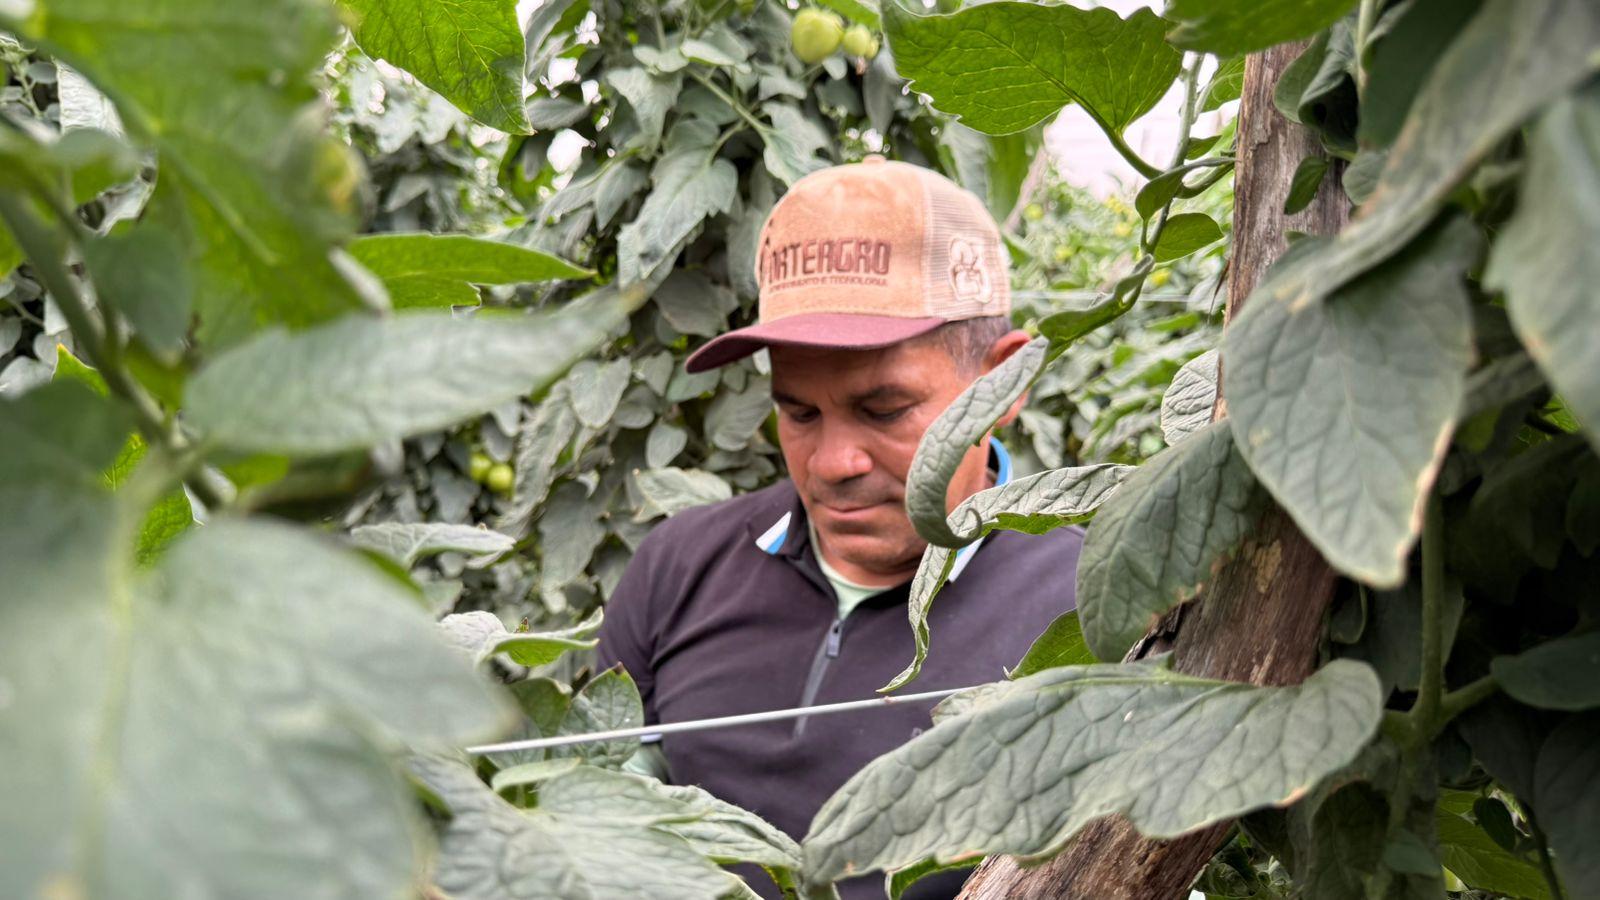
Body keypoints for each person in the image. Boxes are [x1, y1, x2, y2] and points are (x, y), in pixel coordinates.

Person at [595, 156, 1084, 900]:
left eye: (884, 410)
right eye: (799, 412)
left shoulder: (1090, 606)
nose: (833, 463)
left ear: (1002, 383)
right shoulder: (678, 566)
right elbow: (608, 805)